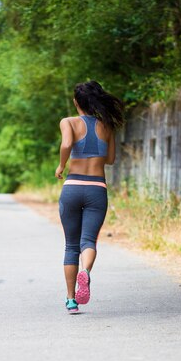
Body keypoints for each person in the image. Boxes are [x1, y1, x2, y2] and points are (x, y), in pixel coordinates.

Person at [55, 80, 124, 314]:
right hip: (97, 189)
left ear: (76, 102)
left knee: (71, 245)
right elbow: (111, 159)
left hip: (73, 186)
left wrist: (61, 165)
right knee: (88, 242)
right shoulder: (107, 126)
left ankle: (71, 299)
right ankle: (86, 271)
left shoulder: (68, 122)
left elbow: (66, 144)